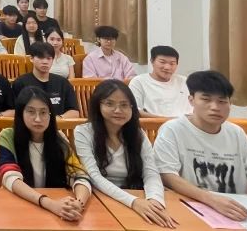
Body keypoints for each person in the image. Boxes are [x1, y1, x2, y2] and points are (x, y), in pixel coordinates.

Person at [155, 71, 247, 223]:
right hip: (193, 208)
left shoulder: (236, 133)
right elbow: (167, 176)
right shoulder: (173, 130)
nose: (215, 107)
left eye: (222, 101)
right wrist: (211, 199)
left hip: (239, 213)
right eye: (206, 99)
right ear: (191, 100)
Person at [73, 80, 175, 227]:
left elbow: (151, 172)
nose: (118, 110)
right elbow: (94, 177)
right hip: (100, 197)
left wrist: (155, 201)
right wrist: (133, 202)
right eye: (110, 104)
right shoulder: (83, 132)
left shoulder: (138, 134)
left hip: (135, 194)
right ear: (98, 105)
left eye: (124, 105)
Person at [0, 87, 92, 219]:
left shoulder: (59, 138)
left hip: (55, 207)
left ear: (50, 114)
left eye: (43, 112)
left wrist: (78, 203)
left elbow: (79, 174)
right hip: (19, 206)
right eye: (31, 112)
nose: (38, 119)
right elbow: (10, 177)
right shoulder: (8, 136)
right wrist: (50, 204)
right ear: (20, 113)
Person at [12, 42, 80, 118]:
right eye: (41, 58)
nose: (45, 62)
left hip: (58, 124)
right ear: (31, 58)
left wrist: (57, 119)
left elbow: (74, 112)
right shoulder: (20, 83)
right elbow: (15, 112)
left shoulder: (63, 83)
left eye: (48, 58)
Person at [128, 46, 190, 117]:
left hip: (187, 122)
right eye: (162, 62)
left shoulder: (184, 81)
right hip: (154, 123)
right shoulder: (139, 82)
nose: (167, 67)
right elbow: (135, 111)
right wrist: (169, 121)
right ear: (152, 61)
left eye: (172, 63)